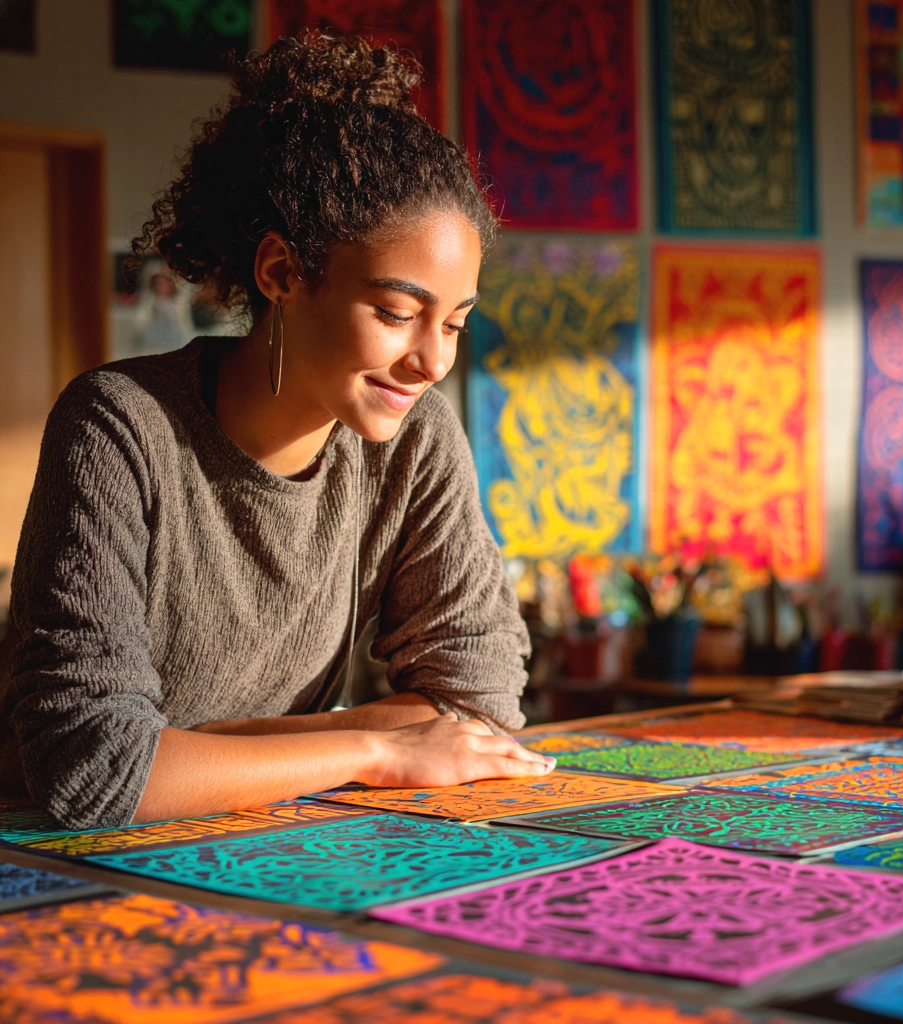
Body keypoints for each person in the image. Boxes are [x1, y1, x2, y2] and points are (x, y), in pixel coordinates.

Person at [0, 32, 554, 831]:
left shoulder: (415, 440)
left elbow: (478, 705)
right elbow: (93, 773)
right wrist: (376, 749)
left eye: (457, 323)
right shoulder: (120, 426)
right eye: (398, 314)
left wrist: (188, 754)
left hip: (263, 849)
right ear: (282, 274)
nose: (432, 360)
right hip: (52, 869)